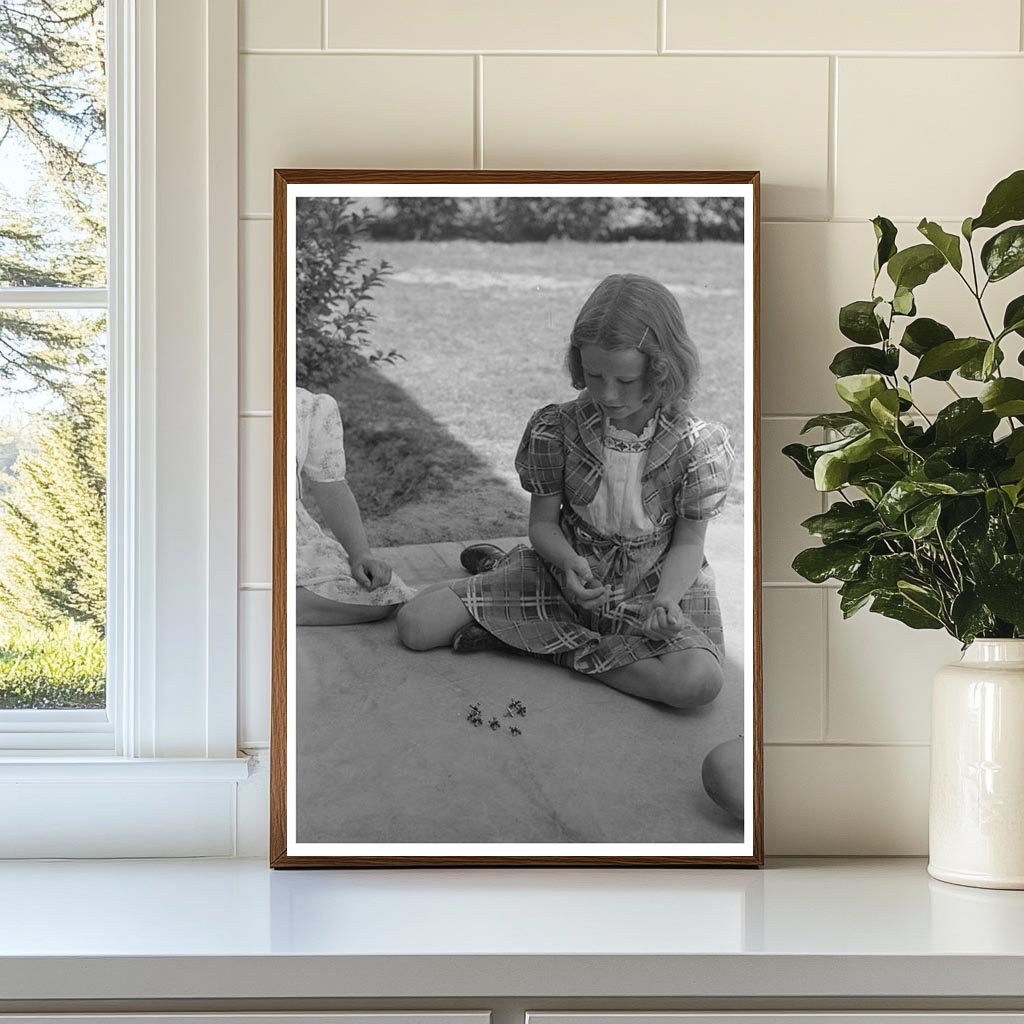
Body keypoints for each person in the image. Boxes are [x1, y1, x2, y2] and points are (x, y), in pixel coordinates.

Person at [396, 273, 734, 709]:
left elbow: (690, 543)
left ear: (662, 368)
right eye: (594, 376)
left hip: (654, 586)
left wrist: (665, 602)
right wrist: (570, 563)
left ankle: (538, 643)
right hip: (565, 575)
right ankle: (512, 591)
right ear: (579, 363)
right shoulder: (557, 428)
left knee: (698, 683)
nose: (608, 395)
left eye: (626, 381)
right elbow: (542, 524)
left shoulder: (698, 444)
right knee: (415, 625)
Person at [295, 387, 413, 625]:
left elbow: (331, 488)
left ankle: (256, 606)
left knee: (384, 594)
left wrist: (360, 554)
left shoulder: (307, 406)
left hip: (286, 537)